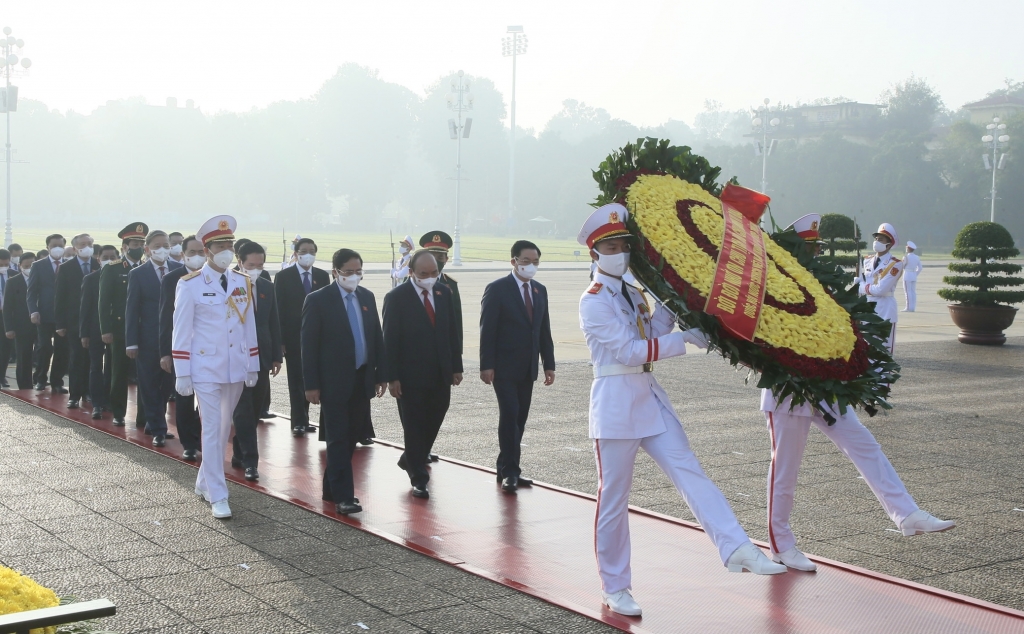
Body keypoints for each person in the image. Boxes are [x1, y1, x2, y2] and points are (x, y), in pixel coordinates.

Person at [578, 203, 785, 617]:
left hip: (648, 398)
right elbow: (629, 351)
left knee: (690, 471)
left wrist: (672, 304)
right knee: (614, 499)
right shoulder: (594, 300)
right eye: (612, 245)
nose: (620, 251)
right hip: (616, 403)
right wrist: (686, 340)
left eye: (623, 244)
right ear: (594, 253)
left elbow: (651, 332)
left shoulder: (634, 293)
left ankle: (738, 548)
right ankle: (615, 587)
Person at [762, 215, 955, 573]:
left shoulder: (820, 282)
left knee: (865, 445)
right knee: (785, 470)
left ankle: (906, 514)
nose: (815, 253)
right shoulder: (774, 285)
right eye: (809, 248)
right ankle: (780, 544)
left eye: (816, 247)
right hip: (789, 390)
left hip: (824, 387)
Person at [172, 215, 259, 519]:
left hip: (235, 365)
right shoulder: (191, 284)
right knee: (211, 428)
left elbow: (248, 326)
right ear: (206, 249)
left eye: (230, 244)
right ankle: (219, 494)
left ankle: (203, 481)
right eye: (220, 244)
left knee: (224, 428)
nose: (226, 249)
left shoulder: (242, 281)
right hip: (205, 367)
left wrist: (253, 363)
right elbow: (181, 329)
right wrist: (182, 371)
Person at [303, 248, 386, 514]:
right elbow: (308, 345)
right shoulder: (318, 300)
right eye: (348, 272)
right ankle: (344, 496)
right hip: (333, 381)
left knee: (351, 437)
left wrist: (380, 373)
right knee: (338, 438)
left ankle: (331, 486)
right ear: (335, 272)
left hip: (362, 379)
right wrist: (311, 384)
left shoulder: (366, 297)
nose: (354, 276)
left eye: (358, 271)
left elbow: (375, 337)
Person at [383, 250, 463, 499]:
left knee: (436, 416)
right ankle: (418, 476)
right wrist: (392, 376)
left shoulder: (443, 292)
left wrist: (456, 366)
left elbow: (451, 331)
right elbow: (390, 339)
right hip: (409, 375)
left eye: (434, 273)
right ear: (411, 273)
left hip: (440, 372)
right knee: (415, 424)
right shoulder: (397, 297)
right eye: (423, 274)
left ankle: (410, 457)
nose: (430, 278)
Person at [479, 240, 556, 493]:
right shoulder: (498, 289)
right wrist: (486, 365)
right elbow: (487, 330)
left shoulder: (539, 290)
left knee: (520, 418)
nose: (530, 266)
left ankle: (505, 465)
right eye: (525, 261)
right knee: (510, 414)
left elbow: (543, 329)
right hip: (503, 367)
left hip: (528, 367)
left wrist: (549, 363)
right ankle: (511, 471)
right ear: (513, 261)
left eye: (535, 262)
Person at [230, 241, 282, 482]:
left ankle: (240, 451)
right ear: (239, 262)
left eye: (260, 265)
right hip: (236, 357)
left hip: (261, 356)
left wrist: (275, 356)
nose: (256, 269)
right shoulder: (227, 285)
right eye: (251, 265)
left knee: (254, 410)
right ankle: (251, 461)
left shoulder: (266, 287)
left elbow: (273, 322)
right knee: (242, 409)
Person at [126, 231, 182, 446]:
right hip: (147, 338)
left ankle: (154, 419)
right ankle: (158, 428)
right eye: (157, 245)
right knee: (149, 383)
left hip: (173, 337)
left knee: (167, 384)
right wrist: (131, 341)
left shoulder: (179, 270)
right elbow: (132, 309)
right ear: (147, 249)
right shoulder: (138, 274)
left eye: (165, 245)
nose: (163, 249)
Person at [274, 237, 328, 437]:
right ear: (296, 253)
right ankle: (298, 420)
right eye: (304, 251)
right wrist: (280, 341)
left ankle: (308, 419)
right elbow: (278, 309)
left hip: (318, 339)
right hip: (293, 338)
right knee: (296, 380)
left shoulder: (322, 276)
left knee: (313, 379)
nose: (308, 255)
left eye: (312, 251)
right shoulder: (284, 276)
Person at [159, 235, 205, 460]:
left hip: (209, 349)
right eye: (193, 252)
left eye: (201, 252)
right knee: (185, 397)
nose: (198, 256)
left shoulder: (217, 277)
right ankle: (188, 442)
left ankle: (202, 437)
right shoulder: (173, 279)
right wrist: (166, 352)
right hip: (183, 348)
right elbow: (166, 318)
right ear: (183, 254)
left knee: (208, 398)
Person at [99, 223, 149, 428]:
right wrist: (106, 329)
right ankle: (118, 411)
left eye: (141, 243)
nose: (138, 246)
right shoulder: (114, 269)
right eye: (134, 243)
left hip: (144, 329)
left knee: (146, 374)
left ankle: (144, 417)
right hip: (120, 329)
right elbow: (104, 302)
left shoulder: (148, 268)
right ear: (125, 246)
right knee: (119, 372)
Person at [54, 234, 100, 408]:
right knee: (76, 358)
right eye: (83, 244)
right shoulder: (66, 268)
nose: (87, 247)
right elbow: (60, 297)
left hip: (95, 321)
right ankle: (75, 394)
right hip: (74, 321)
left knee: (93, 359)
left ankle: (89, 391)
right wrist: (60, 324)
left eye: (90, 243)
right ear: (75, 248)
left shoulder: (98, 265)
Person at [27, 233, 70, 393]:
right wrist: (33, 311)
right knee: (44, 347)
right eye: (54, 246)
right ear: (48, 247)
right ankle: (40, 378)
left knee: (62, 350)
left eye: (60, 245)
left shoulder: (68, 265)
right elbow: (31, 293)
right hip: (44, 315)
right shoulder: (38, 266)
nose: (57, 249)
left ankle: (57, 381)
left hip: (63, 317)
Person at [81, 245, 120, 419]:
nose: (109, 260)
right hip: (95, 330)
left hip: (116, 330)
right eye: (106, 257)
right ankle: (97, 403)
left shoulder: (124, 276)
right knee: (95, 366)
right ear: (98, 259)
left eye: (113, 256)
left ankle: (109, 400)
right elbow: (85, 308)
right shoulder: (91, 279)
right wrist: (84, 333)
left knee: (113, 368)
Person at [859, 223, 903, 354]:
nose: (877, 242)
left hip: (885, 310)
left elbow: (881, 290)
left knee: (884, 351)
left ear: (889, 244)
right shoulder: (866, 260)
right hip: (867, 309)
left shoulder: (895, 264)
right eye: (876, 239)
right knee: (867, 350)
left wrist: (861, 287)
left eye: (881, 239)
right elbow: (862, 282)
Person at [5, 253, 36, 389]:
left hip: (41, 324)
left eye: (32, 266)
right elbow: (7, 307)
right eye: (26, 266)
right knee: (23, 356)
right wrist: (9, 328)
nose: (29, 268)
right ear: (20, 266)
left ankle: (40, 380)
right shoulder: (12, 282)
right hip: (22, 325)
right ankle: (25, 385)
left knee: (42, 354)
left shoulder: (43, 279)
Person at [0, 249, 12, 387]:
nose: (3, 266)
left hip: (6, 316)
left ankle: (2, 376)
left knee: (5, 348)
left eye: (5, 264)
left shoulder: (13, 275)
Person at [902, 241, 922, 313]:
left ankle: (908, 307)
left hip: (907, 274)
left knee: (907, 292)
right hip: (913, 274)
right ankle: (913, 307)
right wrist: (915, 274)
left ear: (908, 248)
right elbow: (920, 268)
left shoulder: (906, 257)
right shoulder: (917, 257)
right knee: (913, 292)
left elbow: (902, 266)